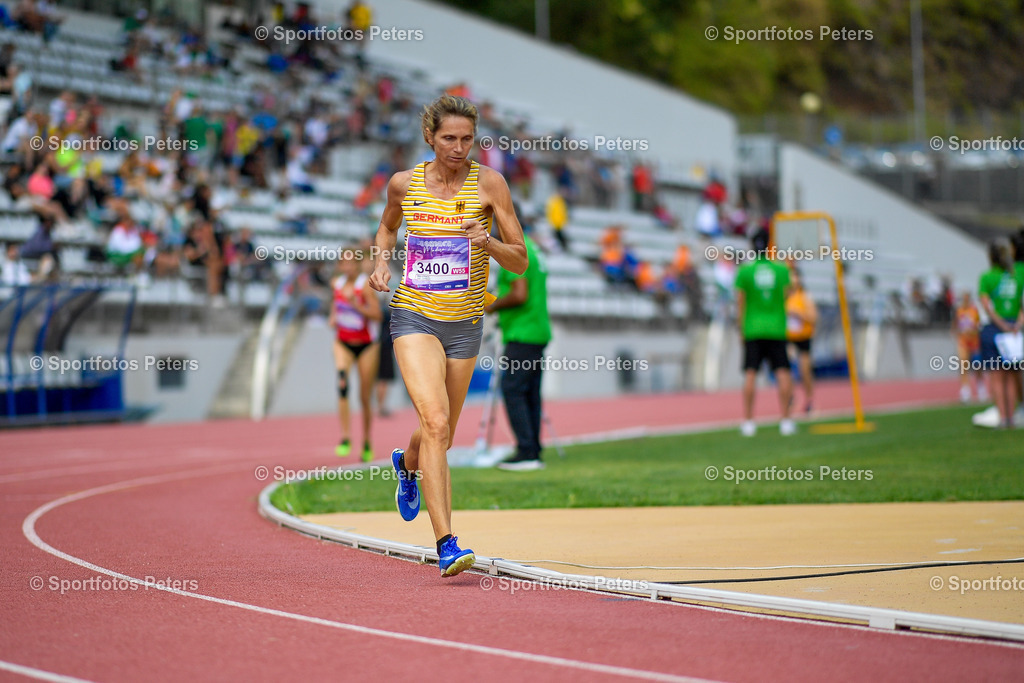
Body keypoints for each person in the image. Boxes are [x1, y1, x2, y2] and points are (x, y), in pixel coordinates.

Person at [368, 94, 527, 578]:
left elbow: (520, 260)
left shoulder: (491, 184)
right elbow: (386, 228)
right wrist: (380, 262)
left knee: (444, 433)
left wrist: (489, 242)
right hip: (414, 316)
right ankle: (447, 544)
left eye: (466, 139)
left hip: (465, 326)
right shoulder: (403, 184)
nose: (458, 148)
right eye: (448, 139)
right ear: (430, 138)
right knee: (435, 422)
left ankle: (406, 464)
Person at [486, 222, 552, 471]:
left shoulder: (515, 251)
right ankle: (533, 450)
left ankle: (526, 452)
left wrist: (492, 305)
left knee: (513, 390)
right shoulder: (533, 248)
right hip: (537, 330)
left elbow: (519, 293)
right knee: (530, 393)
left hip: (522, 332)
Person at [734, 228, 794, 437]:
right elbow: (787, 294)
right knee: (783, 372)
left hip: (753, 328)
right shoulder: (781, 269)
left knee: (750, 373)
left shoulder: (745, 271)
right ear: (770, 245)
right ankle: (786, 420)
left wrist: (741, 328)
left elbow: (740, 303)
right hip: (776, 327)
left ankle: (749, 421)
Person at [330, 250, 381, 462]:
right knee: (342, 385)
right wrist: (333, 317)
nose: (348, 267)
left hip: (366, 345)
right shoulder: (337, 284)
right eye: (344, 263)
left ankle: (367, 441)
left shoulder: (365, 286)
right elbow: (336, 307)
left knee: (364, 397)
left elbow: (378, 315)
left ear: (358, 265)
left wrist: (356, 305)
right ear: (340, 265)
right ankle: (345, 437)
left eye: (352, 263)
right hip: (343, 342)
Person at [976, 242, 1023, 429]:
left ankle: (1003, 417)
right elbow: (1022, 304)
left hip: (995, 330)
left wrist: (1002, 325)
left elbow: (987, 306)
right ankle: (1012, 417)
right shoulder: (1015, 277)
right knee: (1013, 374)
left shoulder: (987, 277)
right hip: (1014, 330)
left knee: (997, 376)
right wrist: (1017, 325)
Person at [785, 268, 817, 414]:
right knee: (786, 370)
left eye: (795, 277)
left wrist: (799, 314)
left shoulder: (805, 297)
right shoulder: (783, 297)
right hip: (788, 337)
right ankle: (790, 398)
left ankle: (810, 400)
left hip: (803, 337)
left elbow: (814, 317)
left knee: (805, 371)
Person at [952, 291, 985, 404]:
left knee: (977, 365)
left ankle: (981, 388)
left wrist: (974, 331)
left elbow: (979, 325)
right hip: (963, 342)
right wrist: (958, 334)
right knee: (963, 365)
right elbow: (955, 325)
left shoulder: (974, 310)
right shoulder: (958, 311)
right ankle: (965, 390)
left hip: (974, 342)